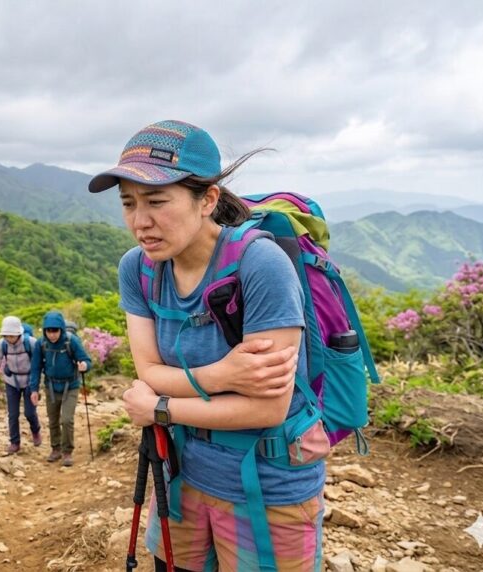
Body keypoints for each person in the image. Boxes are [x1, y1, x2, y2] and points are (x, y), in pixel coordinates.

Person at [89, 120, 322, 571]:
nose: (141, 221)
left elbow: (267, 409)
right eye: (128, 204)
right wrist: (223, 377)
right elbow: (149, 374)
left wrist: (160, 408)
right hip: (183, 476)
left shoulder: (260, 264)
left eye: (157, 201)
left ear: (207, 200)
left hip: (268, 483)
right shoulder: (137, 269)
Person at [28, 310, 92, 467]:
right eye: (48, 331)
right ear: (44, 330)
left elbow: (86, 360)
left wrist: (84, 366)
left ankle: (67, 451)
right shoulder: (41, 344)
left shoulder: (71, 341)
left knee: (67, 420)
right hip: (50, 386)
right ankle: (55, 449)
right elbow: (35, 368)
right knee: (53, 420)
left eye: (55, 330)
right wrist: (34, 389)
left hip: (70, 386)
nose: (52, 334)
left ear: (61, 329)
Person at [0, 316, 42, 455]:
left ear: (18, 333)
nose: (9, 338)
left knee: (29, 412)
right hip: (11, 381)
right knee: (13, 414)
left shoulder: (31, 343)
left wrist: (37, 383)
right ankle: (15, 442)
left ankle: (36, 430)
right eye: (6, 335)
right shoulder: (2, 344)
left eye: (12, 335)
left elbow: (39, 362)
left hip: (29, 381)